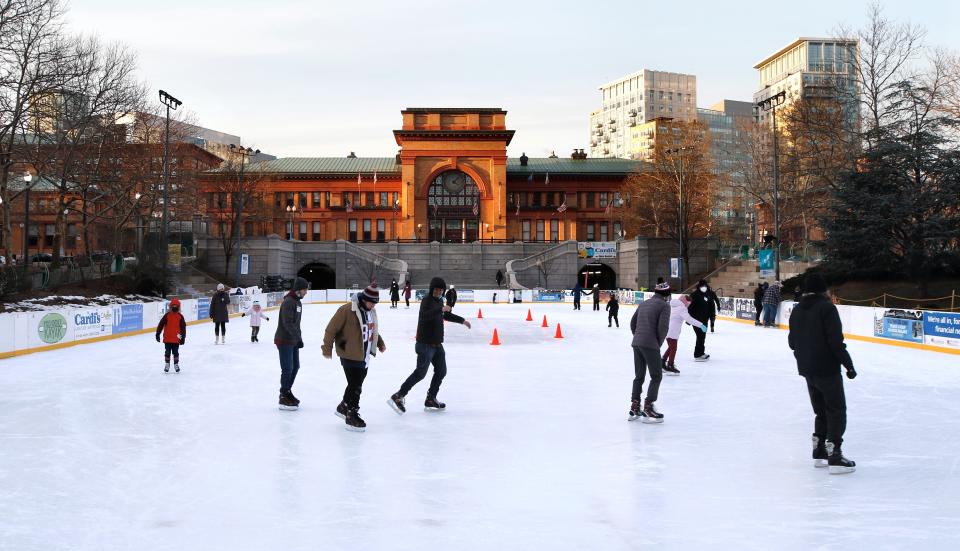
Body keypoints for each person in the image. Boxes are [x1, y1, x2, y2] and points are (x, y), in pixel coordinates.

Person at [788, 273, 857, 474]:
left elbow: (792, 342)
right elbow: (835, 342)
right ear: (822, 290)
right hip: (827, 368)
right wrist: (849, 365)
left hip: (807, 368)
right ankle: (834, 455)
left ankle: (819, 452)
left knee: (821, 411)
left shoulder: (797, 310)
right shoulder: (827, 308)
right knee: (836, 410)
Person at [388, 277, 472, 414]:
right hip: (425, 344)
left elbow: (445, 315)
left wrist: (462, 321)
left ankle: (431, 398)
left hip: (437, 345)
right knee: (420, 373)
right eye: (436, 289)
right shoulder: (426, 301)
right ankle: (398, 396)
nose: (438, 292)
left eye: (441, 290)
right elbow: (425, 316)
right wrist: (440, 309)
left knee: (441, 371)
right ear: (432, 289)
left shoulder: (439, 301)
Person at [323, 284, 386, 432]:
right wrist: (327, 348)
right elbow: (331, 329)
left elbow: (372, 329)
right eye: (371, 302)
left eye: (375, 303)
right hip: (349, 353)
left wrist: (379, 343)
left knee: (355, 384)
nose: (373, 305)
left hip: (364, 354)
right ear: (364, 299)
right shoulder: (346, 310)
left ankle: (344, 406)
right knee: (356, 385)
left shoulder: (371, 311)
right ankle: (351, 414)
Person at [628, 281, 672, 423]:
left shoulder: (644, 303)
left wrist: (638, 336)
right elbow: (663, 328)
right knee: (656, 375)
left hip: (637, 343)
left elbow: (632, 323)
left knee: (639, 376)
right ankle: (648, 407)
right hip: (650, 344)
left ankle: (635, 406)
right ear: (666, 295)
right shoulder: (665, 306)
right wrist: (656, 343)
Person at [274, 277, 309, 411]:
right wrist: (297, 338)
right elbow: (287, 322)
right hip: (284, 340)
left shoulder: (297, 302)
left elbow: (296, 323)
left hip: (293, 339)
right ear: (298, 289)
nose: (306, 292)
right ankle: (283, 394)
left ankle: (287, 391)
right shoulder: (289, 302)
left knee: (295, 367)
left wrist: (298, 338)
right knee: (287, 368)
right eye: (305, 289)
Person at [662, 295, 706, 375]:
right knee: (673, 348)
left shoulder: (673, 306)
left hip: (667, 330)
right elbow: (689, 319)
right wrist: (701, 325)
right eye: (688, 304)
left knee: (671, 347)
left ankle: (662, 362)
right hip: (673, 331)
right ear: (686, 302)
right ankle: (670, 366)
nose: (688, 306)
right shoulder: (682, 308)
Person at [155, 298, 186, 373]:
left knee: (175, 352)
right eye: (173, 306)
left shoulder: (180, 316)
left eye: (176, 306)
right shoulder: (167, 315)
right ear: (171, 307)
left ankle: (176, 364)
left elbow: (183, 328)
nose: (175, 308)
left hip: (176, 339)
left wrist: (183, 338)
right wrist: (158, 333)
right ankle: (167, 364)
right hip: (168, 339)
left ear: (178, 307)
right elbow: (161, 324)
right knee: (167, 352)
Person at [687, 279, 713, 361]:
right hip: (697, 320)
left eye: (705, 286)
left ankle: (701, 352)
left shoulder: (707, 294)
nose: (704, 287)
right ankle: (697, 354)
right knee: (700, 336)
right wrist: (689, 320)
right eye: (702, 286)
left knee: (702, 336)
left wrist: (712, 317)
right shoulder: (694, 295)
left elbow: (711, 306)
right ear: (699, 287)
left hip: (705, 320)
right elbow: (689, 308)